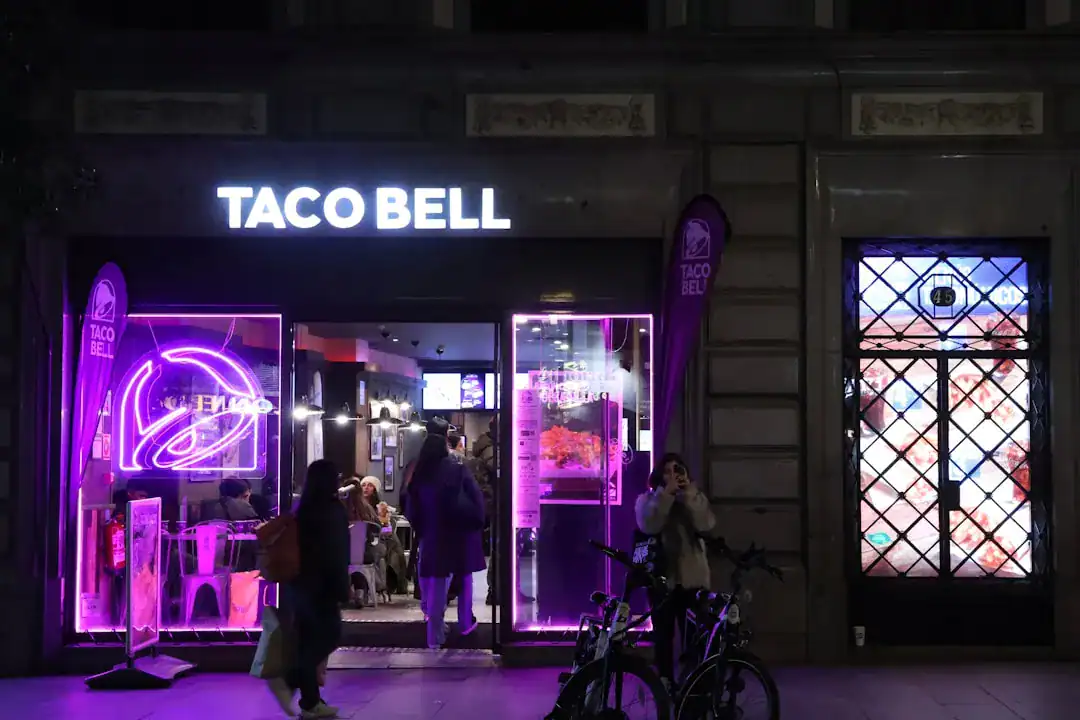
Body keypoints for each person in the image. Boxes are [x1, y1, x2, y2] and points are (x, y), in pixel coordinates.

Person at [268, 459, 349, 719]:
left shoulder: (302, 508)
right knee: (329, 636)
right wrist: (341, 588)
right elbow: (336, 554)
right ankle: (290, 681)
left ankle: (311, 702)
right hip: (322, 586)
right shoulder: (332, 510)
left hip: (299, 584)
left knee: (307, 641)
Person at [635, 453, 716, 689]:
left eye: (677, 470)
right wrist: (665, 495)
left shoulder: (693, 499)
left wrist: (688, 494)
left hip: (693, 579)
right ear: (659, 476)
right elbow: (649, 525)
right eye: (667, 471)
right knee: (663, 634)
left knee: (695, 635)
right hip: (662, 579)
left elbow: (707, 523)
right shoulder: (647, 500)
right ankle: (665, 681)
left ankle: (694, 682)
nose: (673, 476)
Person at [403, 430, 486, 649]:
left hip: (432, 535)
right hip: (459, 533)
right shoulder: (458, 470)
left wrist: (422, 529)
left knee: (435, 583)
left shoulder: (419, 473)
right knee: (464, 577)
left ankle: (434, 634)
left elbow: (411, 506)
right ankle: (465, 622)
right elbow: (476, 499)